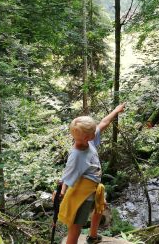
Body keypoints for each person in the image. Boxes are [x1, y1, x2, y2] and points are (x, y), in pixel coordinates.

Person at [57, 103, 125, 244]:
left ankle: (93, 236)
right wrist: (61, 193)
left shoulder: (89, 141)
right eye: (94, 131)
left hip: (94, 187)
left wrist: (116, 111)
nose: (97, 132)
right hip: (82, 194)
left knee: (100, 208)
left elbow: (104, 123)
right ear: (87, 137)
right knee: (75, 227)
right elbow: (66, 177)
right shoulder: (76, 156)